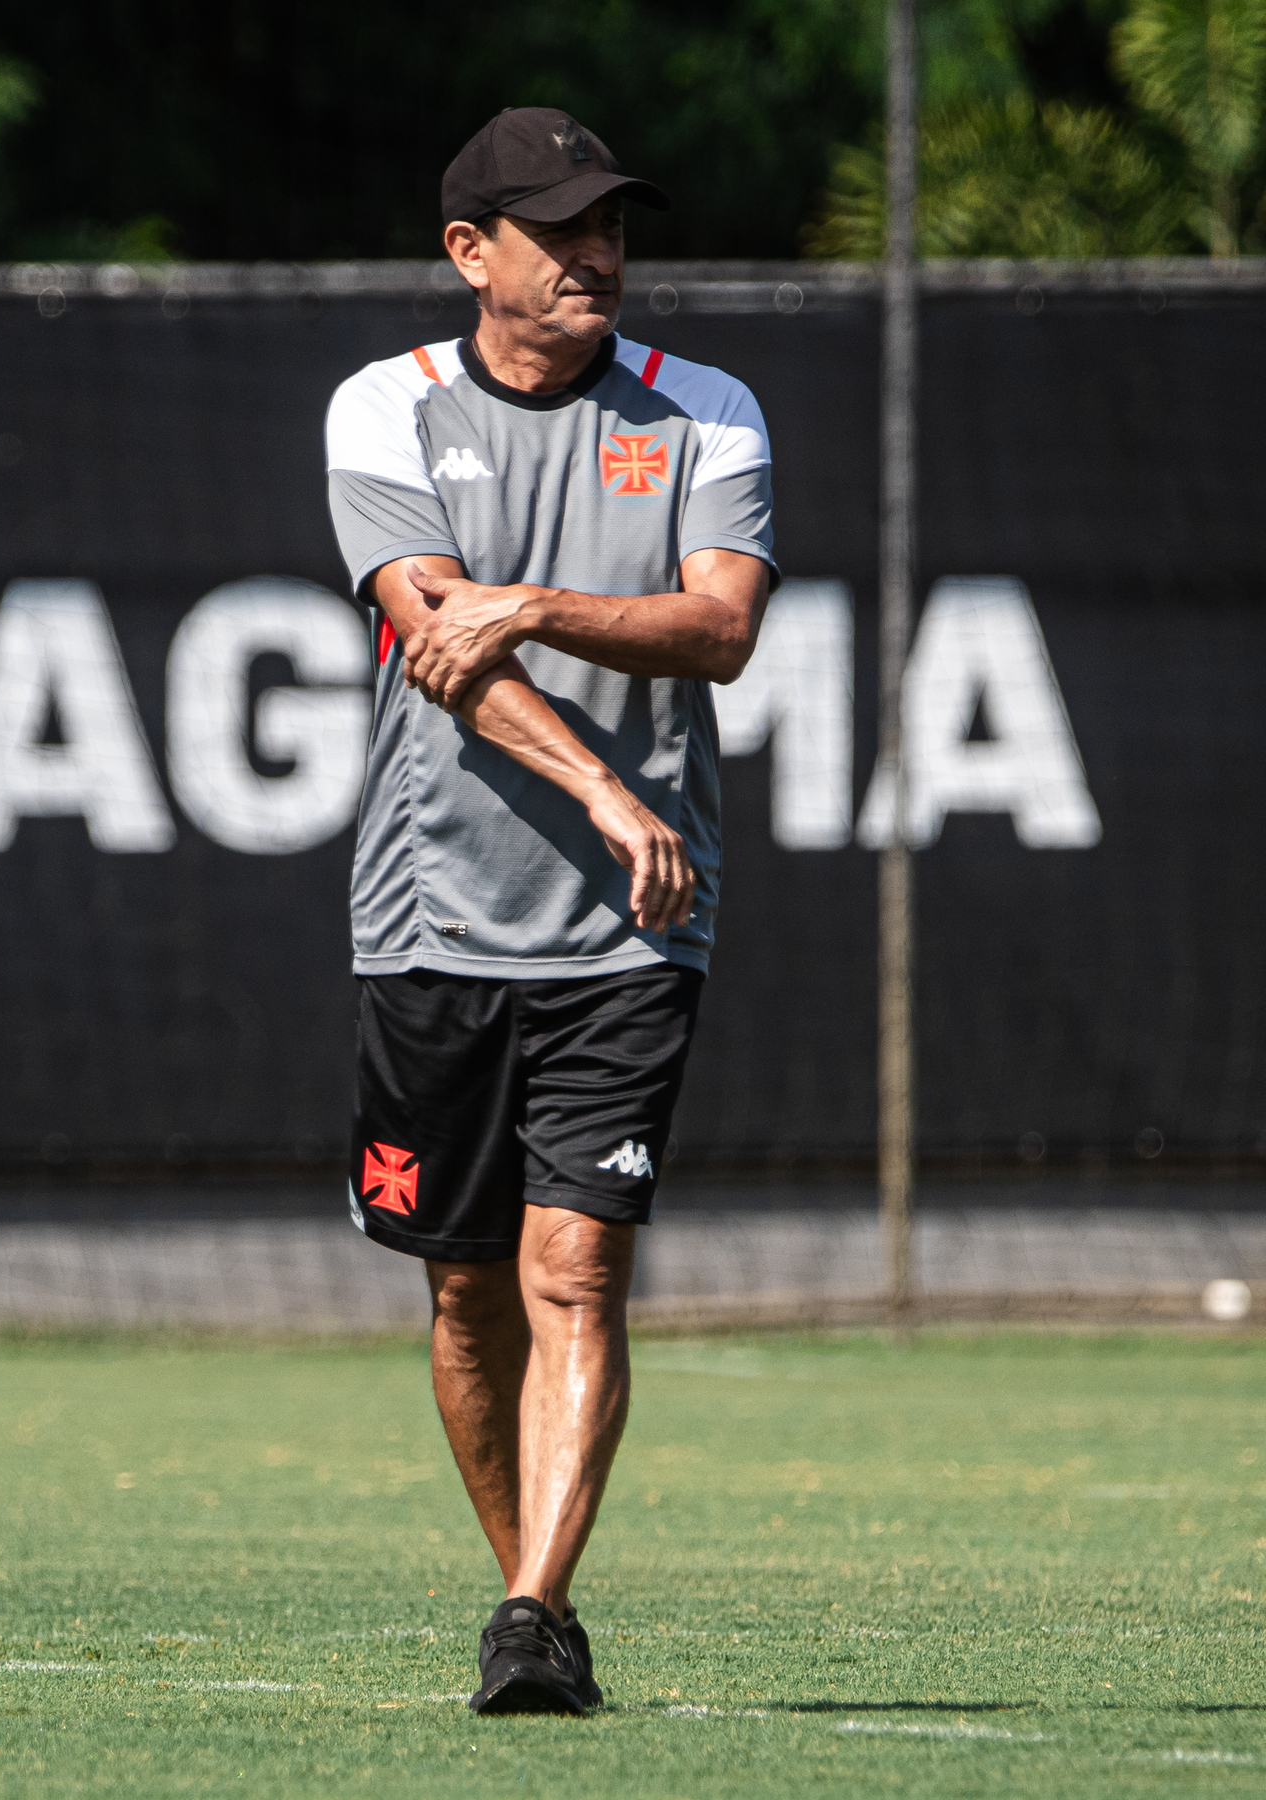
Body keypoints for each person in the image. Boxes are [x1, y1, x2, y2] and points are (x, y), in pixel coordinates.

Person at [325, 106, 775, 1715]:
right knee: (464, 1290)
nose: (597, 253)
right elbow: (439, 647)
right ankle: (525, 1590)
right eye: (560, 228)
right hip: (432, 914)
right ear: (470, 252)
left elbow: (719, 630)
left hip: (636, 926)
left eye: (611, 226)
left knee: (575, 1270)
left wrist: (533, 601)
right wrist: (601, 785)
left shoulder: (706, 409)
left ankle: (533, 1611)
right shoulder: (385, 405)